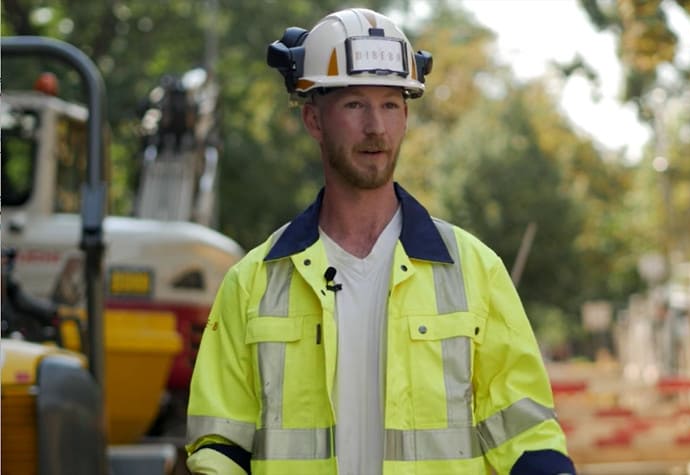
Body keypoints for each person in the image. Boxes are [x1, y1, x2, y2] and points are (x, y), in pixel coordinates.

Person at [185, 8, 575, 475]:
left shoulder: (475, 271)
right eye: (355, 105)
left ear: (406, 116)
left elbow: (526, 436)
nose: (377, 128)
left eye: (391, 105)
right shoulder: (252, 284)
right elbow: (219, 448)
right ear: (314, 120)